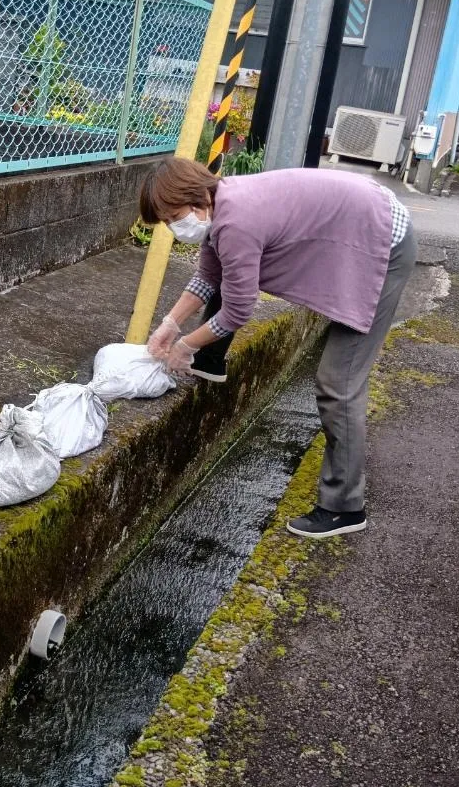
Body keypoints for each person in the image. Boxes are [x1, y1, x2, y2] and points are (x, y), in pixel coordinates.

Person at [140, 157, 415, 539]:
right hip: (360, 226)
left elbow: (238, 310)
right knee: (333, 375)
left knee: (339, 384)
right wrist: (168, 325)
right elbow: (208, 276)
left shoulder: (236, 221)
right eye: (166, 221)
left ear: (199, 195)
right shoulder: (220, 207)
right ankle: (210, 363)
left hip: (383, 241)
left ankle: (344, 508)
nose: (174, 226)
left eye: (174, 215)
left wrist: (185, 345)